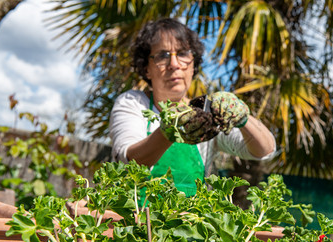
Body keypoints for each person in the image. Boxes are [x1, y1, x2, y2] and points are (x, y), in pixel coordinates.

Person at [109, 18, 276, 197]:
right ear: (146, 68)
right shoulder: (133, 103)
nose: (174, 64)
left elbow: (264, 151)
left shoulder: (205, 112)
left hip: (192, 221)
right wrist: (170, 131)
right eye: (162, 55)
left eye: (182, 54)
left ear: (193, 65)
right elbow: (129, 159)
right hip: (140, 218)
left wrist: (243, 118)